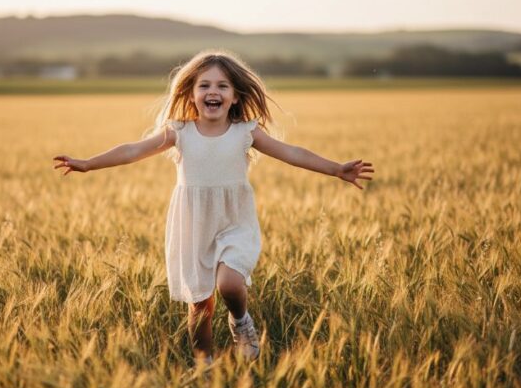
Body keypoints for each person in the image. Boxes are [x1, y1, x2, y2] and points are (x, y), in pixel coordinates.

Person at [53, 50, 374, 365]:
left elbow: (292, 153)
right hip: (193, 224)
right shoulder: (179, 132)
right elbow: (131, 151)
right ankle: (203, 366)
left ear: (235, 97)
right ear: (191, 94)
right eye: (204, 85)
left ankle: (241, 322)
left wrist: (336, 169)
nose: (213, 92)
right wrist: (88, 164)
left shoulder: (245, 131)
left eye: (222, 86)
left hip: (234, 221)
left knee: (230, 285)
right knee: (200, 305)